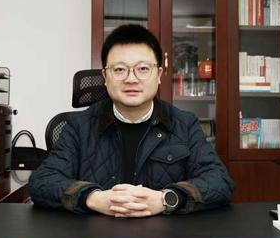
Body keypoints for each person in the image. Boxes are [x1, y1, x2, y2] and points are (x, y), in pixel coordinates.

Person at [29, 24, 235, 217]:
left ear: (159, 74)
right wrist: (92, 198)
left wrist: (166, 199)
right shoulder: (79, 125)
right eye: (119, 69)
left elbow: (220, 182)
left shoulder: (184, 124)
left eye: (143, 69)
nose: (131, 79)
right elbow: (42, 181)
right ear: (105, 76)